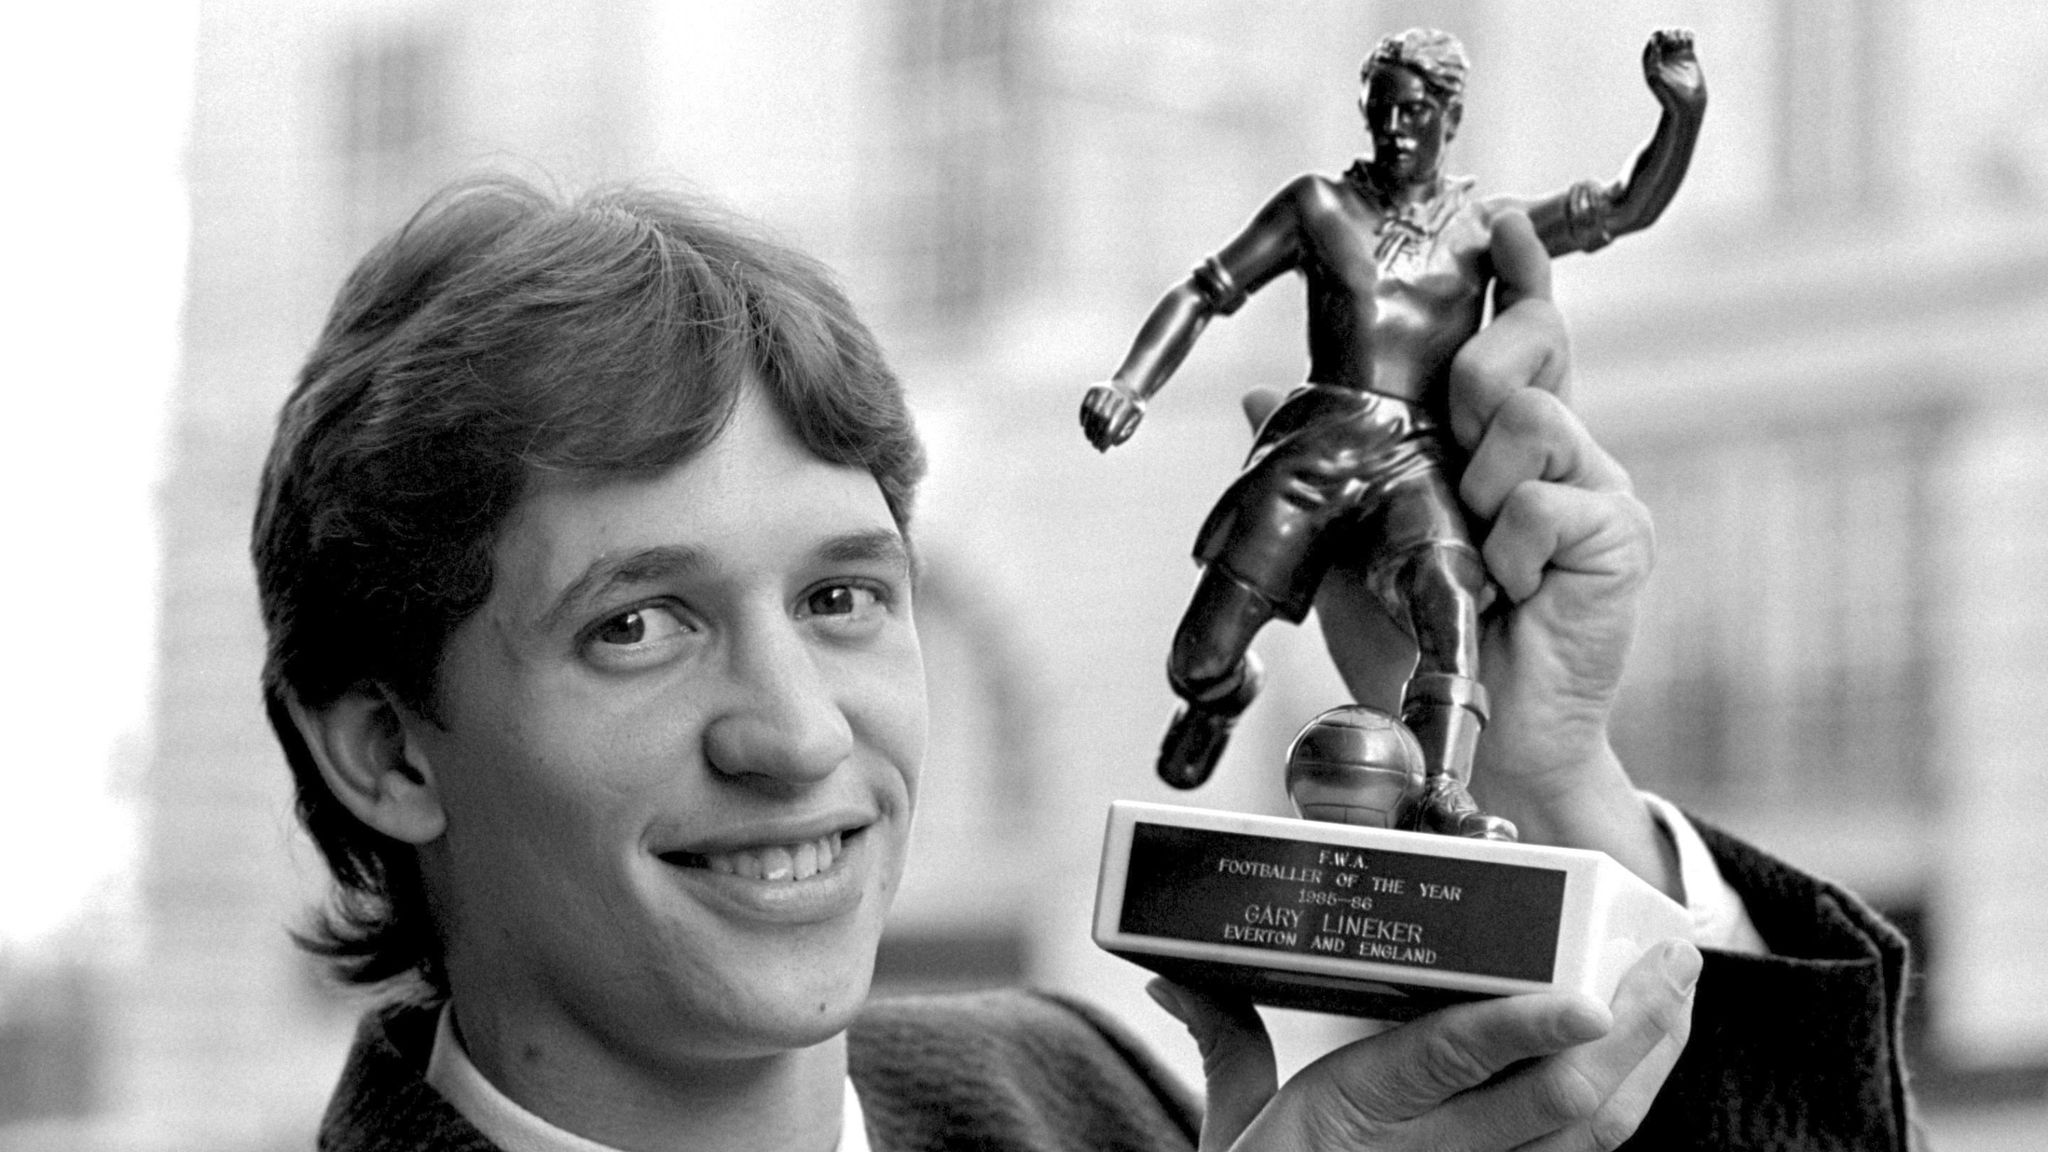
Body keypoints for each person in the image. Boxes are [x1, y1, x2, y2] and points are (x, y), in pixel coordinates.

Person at [255, 177, 1917, 1151]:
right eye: (638, 625)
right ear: (385, 749)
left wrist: (1547, 764)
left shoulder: (1084, 1089)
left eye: (844, 599)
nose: (792, 732)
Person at [1078, 29, 1708, 841]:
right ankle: (1222, 693)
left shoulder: (1487, 230)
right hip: (1318, 441)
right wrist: (1132, 383)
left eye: (1414, 112)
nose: (1396, 130)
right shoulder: (1319, 205)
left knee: (1449, 602)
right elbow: (1207, 289)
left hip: (1419, 458)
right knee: (1195, 661)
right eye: (1381, 112)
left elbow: (1625, 207)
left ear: (1451, 117)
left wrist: (1681, 112)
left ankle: (1442, 790)